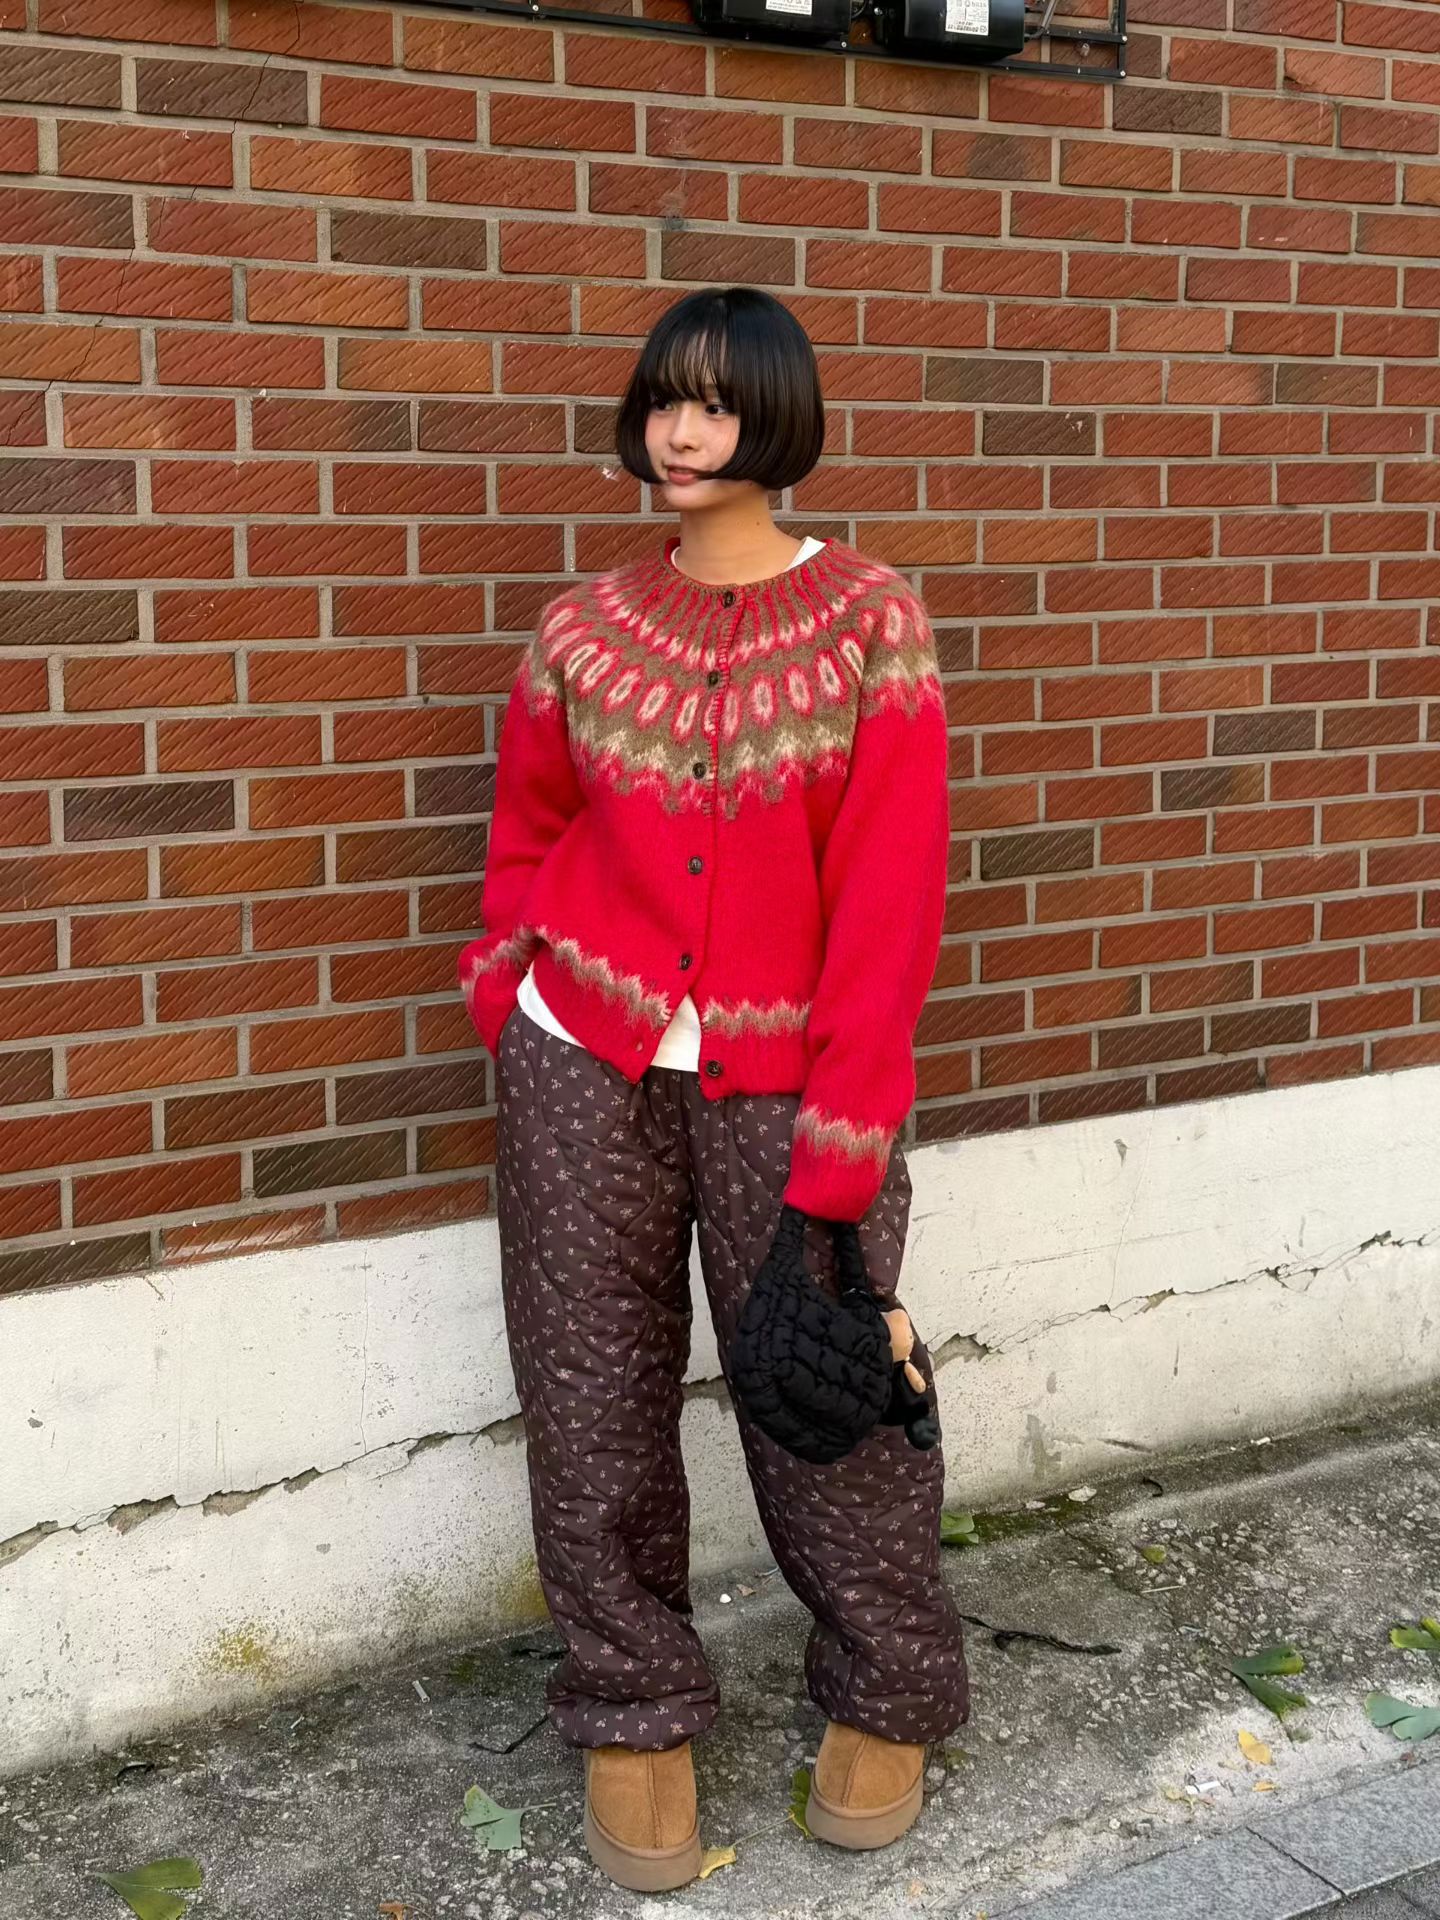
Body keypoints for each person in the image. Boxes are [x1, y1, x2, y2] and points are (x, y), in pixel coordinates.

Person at [458, 285, 969, 1893]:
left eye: (720, 403)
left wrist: (849, 1129)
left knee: (824, 1392)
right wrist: (509, 987)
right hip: (581, 1060)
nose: (683, 432)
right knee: (588, 1393)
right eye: (665, 400)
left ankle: (887, 1685)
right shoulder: (582, 629)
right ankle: (633, 1703)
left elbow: (892, 890)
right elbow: (532, 828)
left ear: (781, 421)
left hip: (789, 1078)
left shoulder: (870, 618)